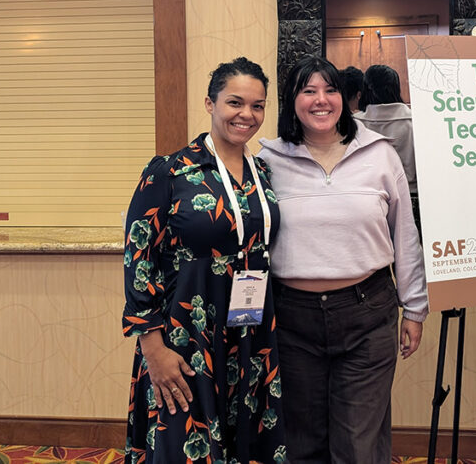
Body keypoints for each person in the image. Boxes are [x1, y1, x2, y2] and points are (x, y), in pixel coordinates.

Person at [258, 55, 427, 464]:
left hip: (366, 312)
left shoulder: (379, 153)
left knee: (358, 443)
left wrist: (415, 308)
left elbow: (404, 233)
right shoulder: (267, 161)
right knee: (301, 439)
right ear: (291, 101)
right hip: (291, 317)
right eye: (308, 90)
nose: (321, 100)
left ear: (346, 97)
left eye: (330, 89)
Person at [122, 58, 285, 464]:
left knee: (247, 439)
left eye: (258, 105)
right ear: (210, 104)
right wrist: (152, 347)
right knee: (188, 444)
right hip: (186, 335)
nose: (247, 114)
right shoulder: (170, 172)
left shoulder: (261, 172)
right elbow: (137, 258)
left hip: (250, 332)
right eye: (235, 102)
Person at [355, 64, 417, 195]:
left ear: (365, 89)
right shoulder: (416, 122)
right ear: (396, 88)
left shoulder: (354, 124)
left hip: (367, 196)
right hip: (412, 194)